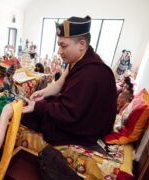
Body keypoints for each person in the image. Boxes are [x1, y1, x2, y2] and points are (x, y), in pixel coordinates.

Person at [23, 16, 117, 148]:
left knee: (29, 117)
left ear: (82, 45)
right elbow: (59, 84)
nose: (59, 51)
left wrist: (37, 107)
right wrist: (42, 93)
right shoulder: (78, 60)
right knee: (42, 104)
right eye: (59, 45)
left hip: (86, 127)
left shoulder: (91, 73)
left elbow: (69, 113)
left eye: (64, 46)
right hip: (77, 111)